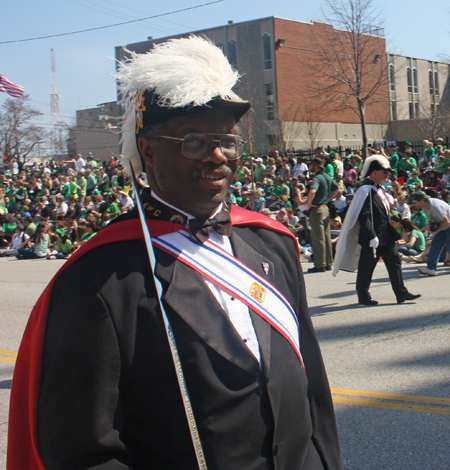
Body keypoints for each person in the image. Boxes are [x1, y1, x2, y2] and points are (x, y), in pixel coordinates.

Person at [8, 36, 340, 470]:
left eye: (228, 140)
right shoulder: (100, 278)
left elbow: (312, 388)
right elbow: (81, 450)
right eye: (195, 141)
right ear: (147, 151)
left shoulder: (272, 243)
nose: (218, 156)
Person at [333, 155, 420, 305]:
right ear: (374, 173)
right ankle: (363, 295)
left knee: (395, 262)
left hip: (385, 236)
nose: (387, 174)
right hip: (372, 238)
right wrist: (372, 236)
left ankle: (401, 293)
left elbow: (384, 212)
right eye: (384, 171)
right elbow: (364, 216)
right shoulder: (365, 191)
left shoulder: (378, 190)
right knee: (366, 268)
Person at [307, 157, 339, 273]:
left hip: (317, 210)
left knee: (318, 238)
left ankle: (319, 264)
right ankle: (328, 262)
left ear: (315, 166)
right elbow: (337, 189)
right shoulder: (327, 177)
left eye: (312, 165)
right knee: (326, 237)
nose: (310, 167)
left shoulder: (317, 178)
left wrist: (309, 203)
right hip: (325, 209)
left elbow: (312, 191)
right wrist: (329, 199)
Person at [411, 191, 450, 276]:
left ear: (422, 200)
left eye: (416, 202)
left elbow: (446, 221)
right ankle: (431, 268)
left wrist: (435, 231)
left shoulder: (435, 206)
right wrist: (430, 226)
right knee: (435, 246)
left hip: (447, 225)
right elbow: (432, 220)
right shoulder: (425, 207)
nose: (415, 205)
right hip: (442, 226)